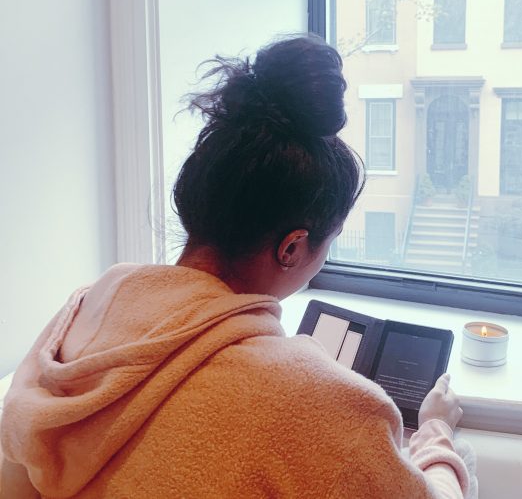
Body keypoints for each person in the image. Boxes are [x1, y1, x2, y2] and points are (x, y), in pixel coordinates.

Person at [0, 35, 471, 498]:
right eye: (331, 240)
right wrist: (435, 433)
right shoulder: (326, 407)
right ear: (292, 247)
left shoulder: (87, 309)